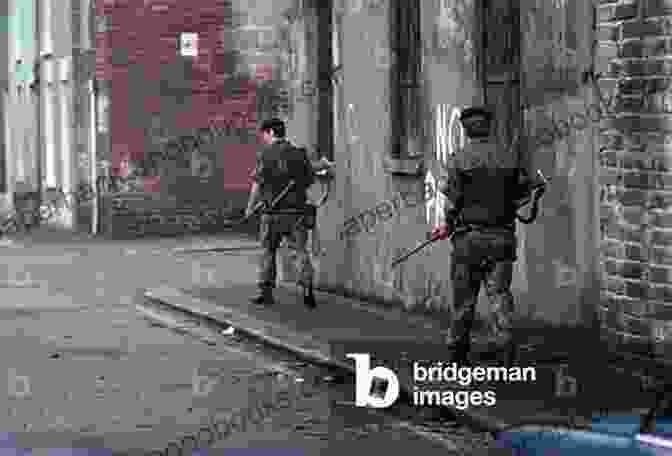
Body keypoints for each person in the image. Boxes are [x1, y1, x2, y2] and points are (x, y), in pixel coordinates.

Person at [431, 107, 546, 366]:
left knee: (464, 301)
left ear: (465, 130)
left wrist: (447, 225)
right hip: (501, 240)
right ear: (489, 127)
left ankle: (457, 357)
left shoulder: (458, 160)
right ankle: (506, 354)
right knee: (500, 297)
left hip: (467, 242)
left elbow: (452, 204)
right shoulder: (509, 156)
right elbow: (521, 196)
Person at [246, 118, 317, 308]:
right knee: (299, 251)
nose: (263, 139)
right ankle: (308, 288)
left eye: (264, 135)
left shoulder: (265, 155)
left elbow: (257, 184)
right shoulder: (299, 154)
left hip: (272, 213)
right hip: (296, 212)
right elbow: (310, 180)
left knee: (268, 251)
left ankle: (266, 293)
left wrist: (250, 207)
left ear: (270, 132)